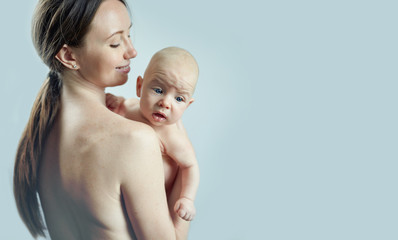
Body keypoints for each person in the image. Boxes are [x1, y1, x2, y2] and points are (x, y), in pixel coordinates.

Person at [13, 0, 190, 239]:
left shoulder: (40, 134)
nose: (132, 51)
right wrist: (185, 168)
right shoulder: (135, 139)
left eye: (129, 34)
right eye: (115, 42)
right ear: (68, 55)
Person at [106, 47, 200, 222]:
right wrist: (115, 102)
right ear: (139, 87)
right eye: (158, 90)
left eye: (179, 99)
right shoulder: (131, 107)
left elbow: (191, 166)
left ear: (187, 105)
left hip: (152, 203)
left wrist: (187, 199)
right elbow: (121, 108)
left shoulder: (173, 137)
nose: (165, 103)